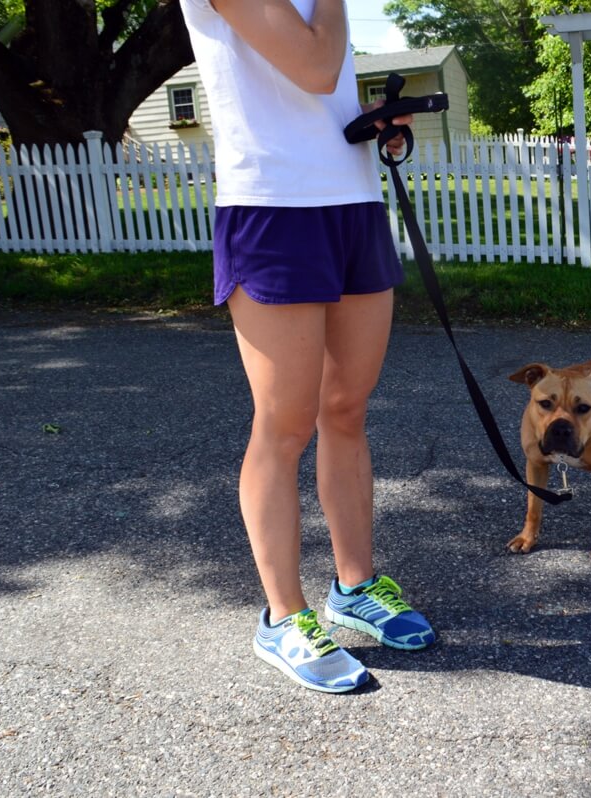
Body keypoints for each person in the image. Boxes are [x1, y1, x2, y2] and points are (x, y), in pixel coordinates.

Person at [180, 0, 435, 693]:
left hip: (350, 200)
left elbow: (321, 92)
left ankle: (353, 585)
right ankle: (282, 617)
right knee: (284, 424)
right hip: (270, 208)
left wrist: (370, 124)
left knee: (346, 408)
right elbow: (318, 65)